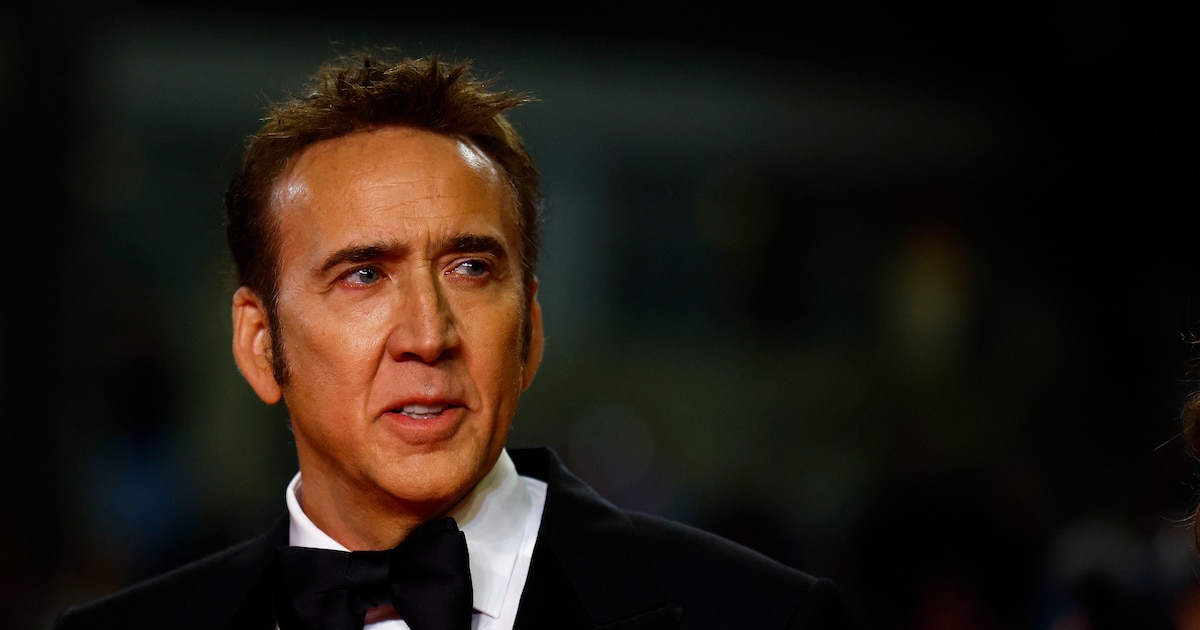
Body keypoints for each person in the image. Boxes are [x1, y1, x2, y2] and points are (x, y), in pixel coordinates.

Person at [53, 50, 857, 630]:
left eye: (471, 269)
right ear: (261, 345)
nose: (428, 335)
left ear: (529, 332)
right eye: (363, 275)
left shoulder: (764, 617)